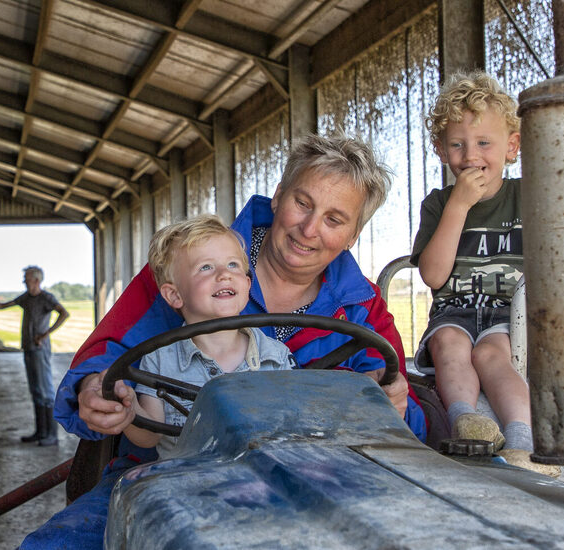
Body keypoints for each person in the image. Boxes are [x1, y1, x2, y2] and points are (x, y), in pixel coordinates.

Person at [21, 135, 424, 548]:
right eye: (302, 203)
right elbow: (100, 362)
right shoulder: (187, 264)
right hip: (164, 472)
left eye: (334, 219)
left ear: (353, 234)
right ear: (278, 195)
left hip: (309, 482)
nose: (309, 229)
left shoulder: (361, 306)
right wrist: (95, 389)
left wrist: (390, 403)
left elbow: (403, 416)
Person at [411, 71, 558, 477]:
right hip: (453, 310)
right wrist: (458, 206)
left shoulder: (529, 197)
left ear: (512, 147)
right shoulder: (439, 203)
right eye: (457, 144)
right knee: (448, 346)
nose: (471, 156)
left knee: (492, 356)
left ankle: (522, 444)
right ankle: (465, 420)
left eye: (483, 143)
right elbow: (434, 277)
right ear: (441, 150)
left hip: (509, 315)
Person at [121, 215, 297, 456]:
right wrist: (128, 406)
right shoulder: (160, 361)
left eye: (233, 264)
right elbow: (149, 435)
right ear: (174, 295)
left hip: (261, 483)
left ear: (247, 285)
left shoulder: (276, 355)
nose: (224, 274)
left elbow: (294, 429)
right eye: (206, 267)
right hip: (188, 485)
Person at [0, 266, 70, 446]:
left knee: (45, 390)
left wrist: (45, 334)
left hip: (40, 349)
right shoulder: (26, 298)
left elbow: (64, 314)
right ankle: (40, 432)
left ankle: (51, 435)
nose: (24, 281)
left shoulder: (46, 298)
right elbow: (3, 305)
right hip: (28, 348)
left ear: (36, 280)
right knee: (35, 390)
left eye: (26, 278)